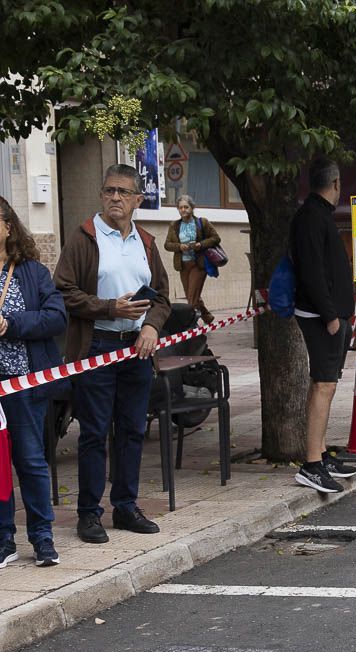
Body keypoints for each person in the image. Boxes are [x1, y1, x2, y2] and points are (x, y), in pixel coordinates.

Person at [54, 164, 171, 542]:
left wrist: (151, 325)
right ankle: (89, 514)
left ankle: (125, 507)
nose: (115, 198)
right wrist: (109, 308)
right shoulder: (85, 237)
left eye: (123, 192)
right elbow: (63, 291)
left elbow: (163, 296)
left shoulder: (147, 243)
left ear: (138, 199)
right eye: (108, 191)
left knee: (133, 431)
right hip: (98, 347)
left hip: (136, 349)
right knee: (93, 433)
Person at [0, 197, 67, 568]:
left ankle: (42, 538)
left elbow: (56, 318)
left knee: (30, 459)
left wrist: (11, 324)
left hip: (23, 382)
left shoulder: (31, 272)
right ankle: (3, 539)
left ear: (9, 226)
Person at [291, 157, 356, 492]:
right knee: (324, 384)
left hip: (330, 314)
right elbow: (313, 272)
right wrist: (330, 315)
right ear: (335, 184)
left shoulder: (318, 214)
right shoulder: (311, 217)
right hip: (320, 317)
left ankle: (319, 452)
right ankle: (311, 465)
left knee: (326, 384)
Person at [163, 195, 220, 324]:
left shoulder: (202, 222)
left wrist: (201, 244)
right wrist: (179, 246)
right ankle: (207, 316)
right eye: (180, 207)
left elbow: (216, 238)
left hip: (198, 264)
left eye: (186, 207)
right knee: (193, 294)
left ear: (192, 208)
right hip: (183, 265)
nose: (183, 210)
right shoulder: (174, 225)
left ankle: (190, 325)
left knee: (191, 299)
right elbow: (167, 245)